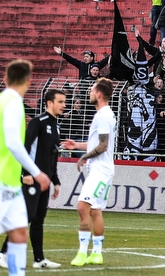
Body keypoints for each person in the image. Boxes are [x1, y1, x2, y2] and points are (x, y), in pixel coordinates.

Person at [0, 60, 52, 276]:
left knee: (19, 233)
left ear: (6, 79)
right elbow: (13, 143)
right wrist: (36, 172)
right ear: (28, 81)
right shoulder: (14, 103)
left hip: (8, 181)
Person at [0, 87, 65, 270]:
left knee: (39, 219)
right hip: (31, 178)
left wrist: (55, 180)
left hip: (44, 180)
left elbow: (52, 156)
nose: (63, 105)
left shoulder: (56, 126)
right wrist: (24, 174)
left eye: (64, 102)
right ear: (49, 103)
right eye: (60, 101)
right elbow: (24, 148)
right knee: (26, 216)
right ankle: (3, 252)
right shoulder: (38, 122)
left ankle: (39, 259)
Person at [60, 78, 116, 267]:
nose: (89, 93)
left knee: (82, 206)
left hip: (100, 170)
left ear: (99, 94)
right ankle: (96, 254)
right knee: (94, 210)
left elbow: (103, 145)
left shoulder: (103, 116)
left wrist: (84, 156)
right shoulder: (103, 114)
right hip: (101, 169)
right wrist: (77, 145)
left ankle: (83, 253)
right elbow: (97, 143)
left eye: (92, 90)